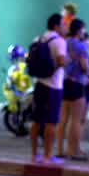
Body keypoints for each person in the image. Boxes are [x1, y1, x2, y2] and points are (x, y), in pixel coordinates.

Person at [28, 13, 67, 163]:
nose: (65, 27)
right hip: (54, 86)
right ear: (56, 26)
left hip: (39, 84)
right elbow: (61, 61)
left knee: (36, 120)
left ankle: (34, 154)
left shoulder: (38, 39)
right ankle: (48, 155)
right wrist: (55, 68)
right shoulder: (59, 41)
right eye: (63, 24)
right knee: (51, 122)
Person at [58, 18, 89, 160]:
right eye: (83, 29)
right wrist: (87, 71)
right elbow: (85, 66)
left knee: (63, 118)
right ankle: (73, 151)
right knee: (76, 120)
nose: (84, 31)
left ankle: (60, 149)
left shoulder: (64, 43)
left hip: (64, 83)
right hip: (77, 84)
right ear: (79, 30)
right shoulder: (81, 46)